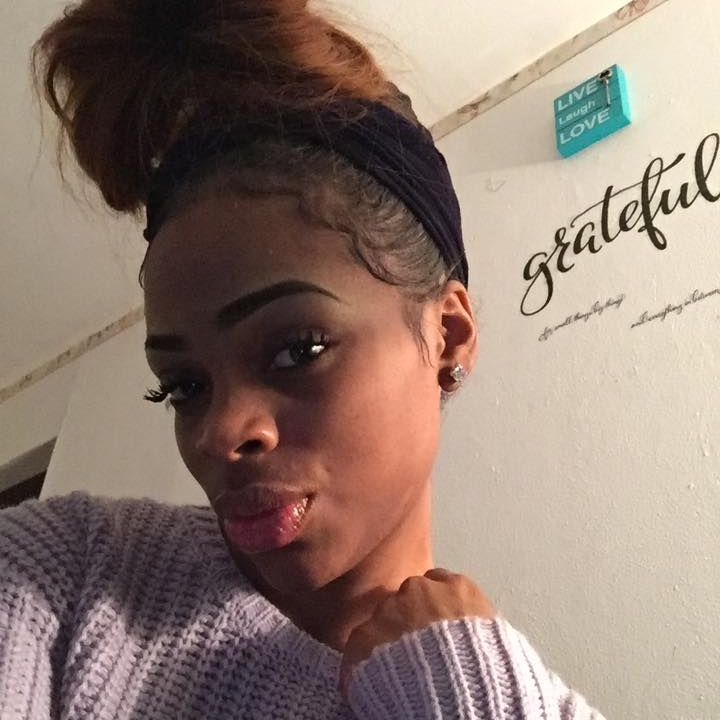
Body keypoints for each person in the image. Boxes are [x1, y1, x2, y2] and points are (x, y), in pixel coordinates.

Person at [0, 1, 608, 718]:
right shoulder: (64, 576)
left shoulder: (523, 705)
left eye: (297, 349)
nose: (220, 433)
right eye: (184, 386)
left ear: (447, 334)